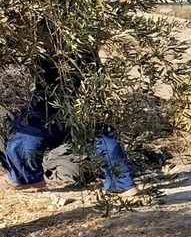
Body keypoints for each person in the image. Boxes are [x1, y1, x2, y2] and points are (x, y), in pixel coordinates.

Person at [3, 54, 137, 196]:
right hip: (82, 90)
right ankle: (122, 183)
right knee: (97, 131)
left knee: (27, 131)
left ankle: (25, 179)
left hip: (59, 91)